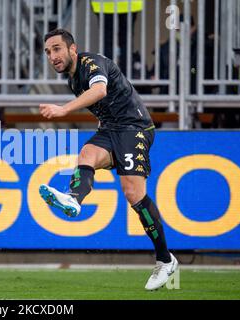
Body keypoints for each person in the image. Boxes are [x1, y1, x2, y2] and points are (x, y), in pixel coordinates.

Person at [38, 28, 178, 291]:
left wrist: (64, 109)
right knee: (86, 154)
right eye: (47, 52)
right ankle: (74, 199)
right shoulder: (72, 79)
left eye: (57, 49)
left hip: (134, 127)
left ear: (72, 49)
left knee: (133, 193)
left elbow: (100, 91)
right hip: (111, 129)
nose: (52, 56)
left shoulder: (92, 64)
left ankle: (165, 260)